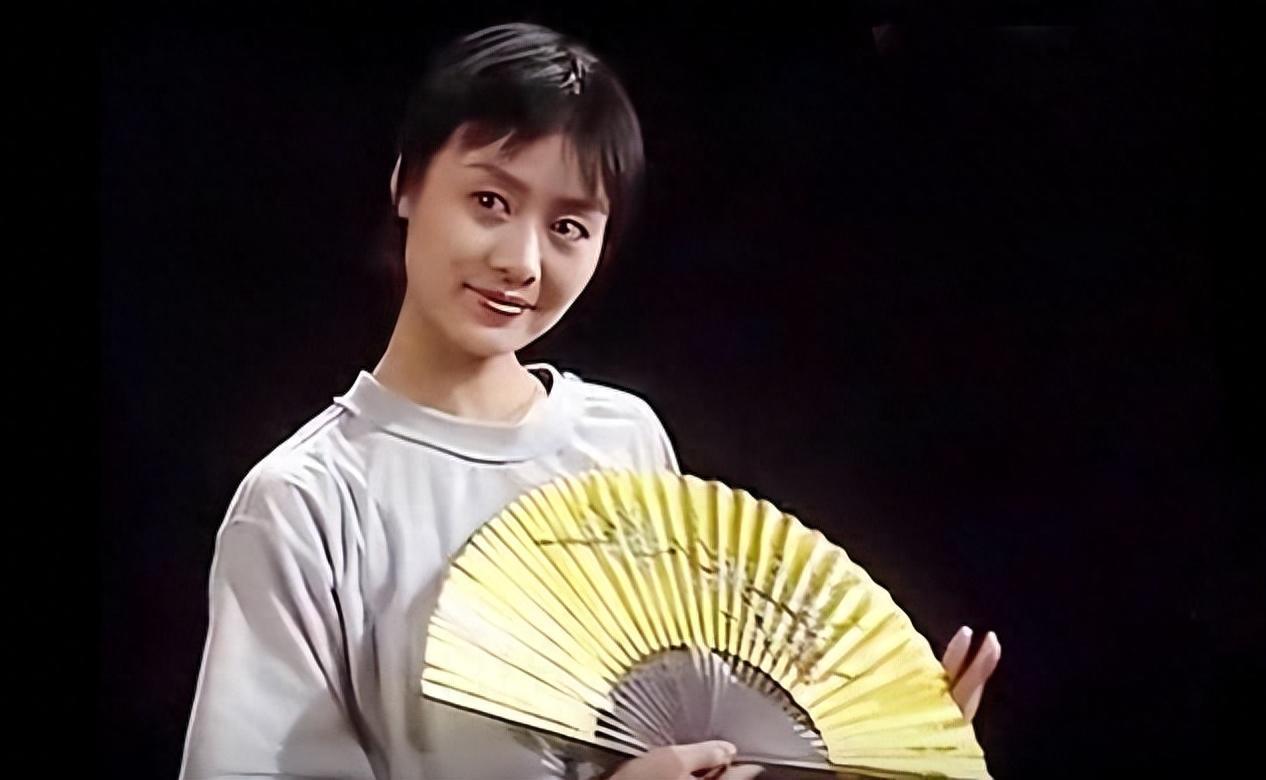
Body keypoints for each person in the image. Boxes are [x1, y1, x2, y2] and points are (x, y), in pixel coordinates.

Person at [179, 22, 999, 780]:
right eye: (490, 202)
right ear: (406, 183)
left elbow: (695, 744)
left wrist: (870, 749)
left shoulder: (622, 439)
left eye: (569, 226)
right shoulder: (306, 503)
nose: (522, 262)